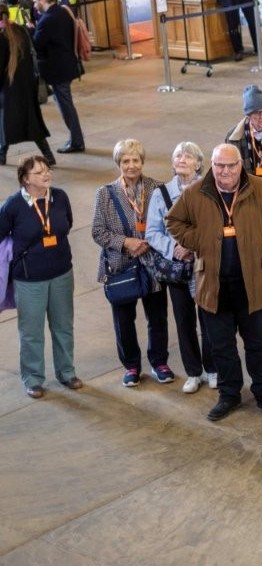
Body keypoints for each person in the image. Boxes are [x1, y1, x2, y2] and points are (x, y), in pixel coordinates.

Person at [166, 144, 262, 421]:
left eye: (231, 165)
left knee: (257, 344)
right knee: (221, 346)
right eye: (219, 165)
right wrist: (197, 242)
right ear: (212, 165)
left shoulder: (259, 189)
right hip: (214, 286)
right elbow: (173, 221)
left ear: (240, 166)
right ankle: (229, 394)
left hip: (252, 284)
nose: (225, 171)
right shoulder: (196, 192)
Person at [91, 139, 173, 388]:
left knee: (157, 316)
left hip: (153, 264)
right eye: (126, 161)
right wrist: (127, 242)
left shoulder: (158, 188)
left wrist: (149, 242)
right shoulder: (105, 193)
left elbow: (169, 224)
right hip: (121, 265)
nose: (131, 165)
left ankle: (159, 362)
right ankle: (132, 367)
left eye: (136, 160)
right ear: (119, 164)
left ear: (143, 162)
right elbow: (98, 231)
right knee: (123, 319)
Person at [0, 155, 77, 398]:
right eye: (39, 172)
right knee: (31, 332)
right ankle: (33, 378)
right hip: (29, 279)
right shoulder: (13, 205)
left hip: (62, 273)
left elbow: (68, 224)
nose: (46, 175)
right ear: (25, 179)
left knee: (63, 327)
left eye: (47, 170)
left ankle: (67, 373)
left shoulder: (60, 197)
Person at [145, 142, 217, 394]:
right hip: (178, 268)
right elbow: (152, 232)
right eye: (178, 155)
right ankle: (194, 372)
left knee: (209, 318)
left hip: (205, 265)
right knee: (184, 320)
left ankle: (213, 369)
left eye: (188, 156)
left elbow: (216, 225)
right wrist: (173, 249)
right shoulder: (161, 194)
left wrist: (193, 246)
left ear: (199, 163)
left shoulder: (210, 190)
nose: (182, 159)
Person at [0, 17, 56, 166]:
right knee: (32, 123)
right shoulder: (21, 30)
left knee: (5, 124)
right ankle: (48, 155)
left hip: (9, 88)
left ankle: (1, 156)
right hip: (27, 85)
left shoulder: (1, 36)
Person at [30, 0, 83, 154]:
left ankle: (76, 141)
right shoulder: (62, 12)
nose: (34, 4)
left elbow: (36, 45)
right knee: (63, 102)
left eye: (35, 1)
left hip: (58, 70)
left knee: (66, 105)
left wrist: (31, 30)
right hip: (67, 65)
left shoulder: (47, 20)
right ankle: (76, 139)